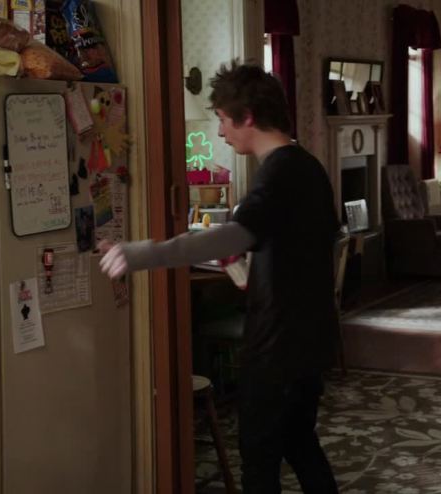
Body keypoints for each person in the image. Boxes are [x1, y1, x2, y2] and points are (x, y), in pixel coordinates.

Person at [99, 61, 340, 493]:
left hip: (278, 346)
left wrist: (138, 254)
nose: (221, 132)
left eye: (224, 120)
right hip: (308, 339)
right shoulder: (308, 167)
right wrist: (252, 270)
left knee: (259, 461)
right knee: (300, 444)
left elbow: (230, 235)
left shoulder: (279, 172)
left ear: (247, 117)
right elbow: (295, 249)